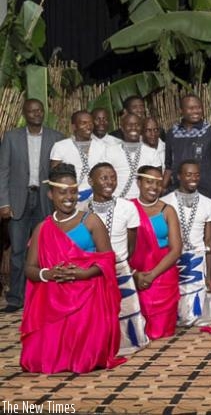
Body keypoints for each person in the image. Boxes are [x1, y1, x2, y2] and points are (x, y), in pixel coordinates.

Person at [20, 164, 124, 374]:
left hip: (87, 297)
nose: (69, 197)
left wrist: (83, 273)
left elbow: (107, 259)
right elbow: (30, 269)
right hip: (53, 299)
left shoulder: (91, 221)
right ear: (50, 194)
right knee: (36, 360)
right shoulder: (42, 228)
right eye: (62, 192)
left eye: (73, 191)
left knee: (85, 360)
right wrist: (46, 274)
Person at [0, 99, 62, 313]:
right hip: (18, 201)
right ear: (25, 114)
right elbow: (3, 172)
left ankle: (43, 298)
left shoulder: (56, 138)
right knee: (18, 252)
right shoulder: (11, 138)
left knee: (44, 251)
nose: (36, 113)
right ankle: (16, 298)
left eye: (40, 110)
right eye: (32, 111)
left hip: (45, 200)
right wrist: (4, 203)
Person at [86, 162, 150, 355]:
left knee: (126, 311)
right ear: (91, 181)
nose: (110, 182)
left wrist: (120, 264)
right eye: (104, 178)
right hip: (91, 270)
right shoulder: (82, 207)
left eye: (113, 177)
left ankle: (125, 343)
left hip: (119, 268)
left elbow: (132, 244)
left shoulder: (127, 207)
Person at [162, 160, 211, 327]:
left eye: (197, 174)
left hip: (197, 259)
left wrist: (210, 275)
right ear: (179, 176)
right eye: (188, 174)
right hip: (174, 259)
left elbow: (208, 241)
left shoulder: (208, 203)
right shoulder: (165, 202)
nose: (194, 178)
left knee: (199, 316)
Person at [130, 165, 182, 340]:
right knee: (136, 332)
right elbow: (121, 248)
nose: (154, 187)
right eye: (148, 182)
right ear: (139, 183)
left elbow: (176, 250)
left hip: (162, 275)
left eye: (158, 183)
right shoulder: (128, 208)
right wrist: (135, 275)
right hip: (136, 274)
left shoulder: (168, 211)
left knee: (161, 334)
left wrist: (152, 275)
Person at [163, 94, 211, 205]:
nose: (196, 111)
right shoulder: (172, 133)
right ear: (181, 111)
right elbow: (169, 166)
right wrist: (162, 189)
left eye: (198, 107)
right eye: (191, 108)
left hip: (205, 193)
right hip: (177, 192)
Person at [50, 110, 107, 204]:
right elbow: (55, 175)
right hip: (70, 197)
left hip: (96, 196)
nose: (88, 126)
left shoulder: (102, 146)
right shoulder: (60, 146)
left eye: (90, 123)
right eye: (84, 123)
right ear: (74, 127)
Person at [105, 113, 162, 199]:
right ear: (122, 128)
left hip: (144, 202)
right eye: (129, 125)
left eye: (137, 125)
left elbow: (158, 180)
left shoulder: (151, 153)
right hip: (117, 201)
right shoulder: (110, 151)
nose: (134, 128)